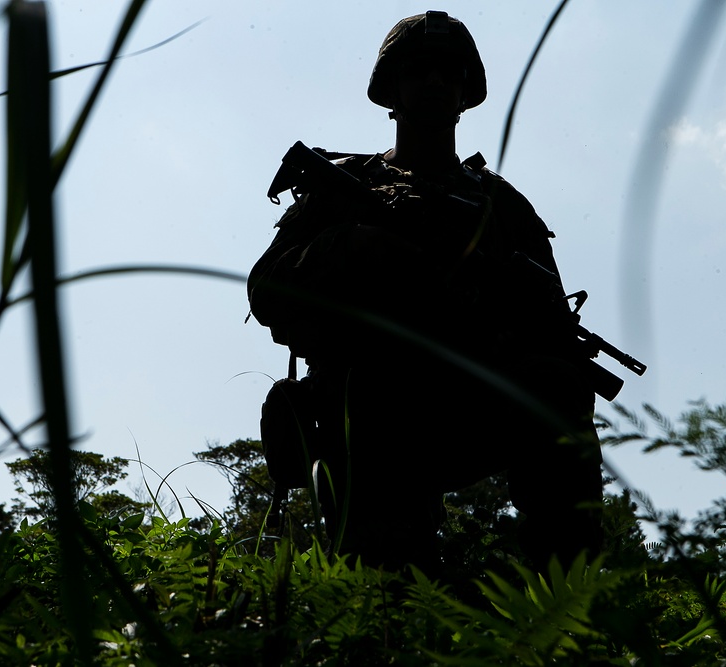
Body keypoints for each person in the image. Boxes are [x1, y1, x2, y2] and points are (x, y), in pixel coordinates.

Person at [247, 11, 602, 573]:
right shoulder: (347, 190)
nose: (435, 81)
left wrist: (500, 323)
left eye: (450, 70)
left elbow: (553, 332)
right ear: (393, 86)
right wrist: (354, 246)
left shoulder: (502, 208)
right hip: (367, 410)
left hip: (468, 404)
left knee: (556, 385)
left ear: (466, 90)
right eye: (418, 69)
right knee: (384, 593)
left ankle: (569, 599)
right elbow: (267, 293)